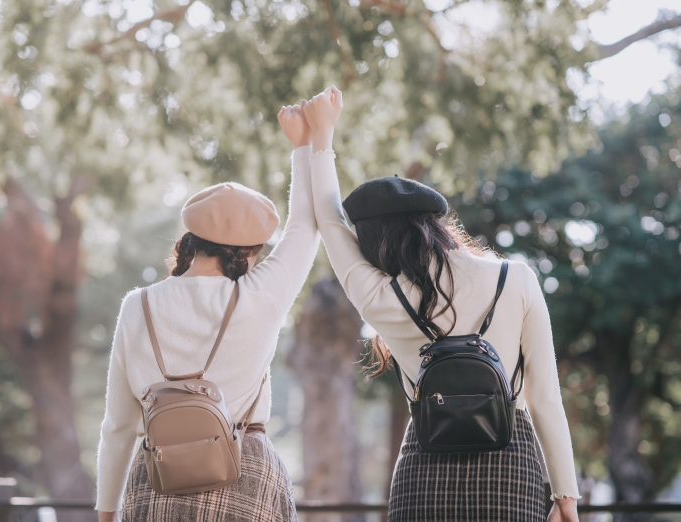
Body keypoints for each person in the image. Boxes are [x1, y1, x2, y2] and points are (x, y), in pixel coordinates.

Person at [301, 87, 580, 522]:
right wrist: (565, 495)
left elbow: (330, 220)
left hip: (424, 469)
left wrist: (321, 136)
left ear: (376, 245)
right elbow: (545, 397)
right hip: (510, 468)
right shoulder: (517, 278)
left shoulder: (381, 296)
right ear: (434, 224)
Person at [95, 104, 318, 522]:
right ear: (249, 253)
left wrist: (107, 514)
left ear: (191, 240)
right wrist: (304, 145)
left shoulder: (137, 305)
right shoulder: (259, 296)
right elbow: (306, 226)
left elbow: (118, 427)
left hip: (156, 479)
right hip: (244, 476)